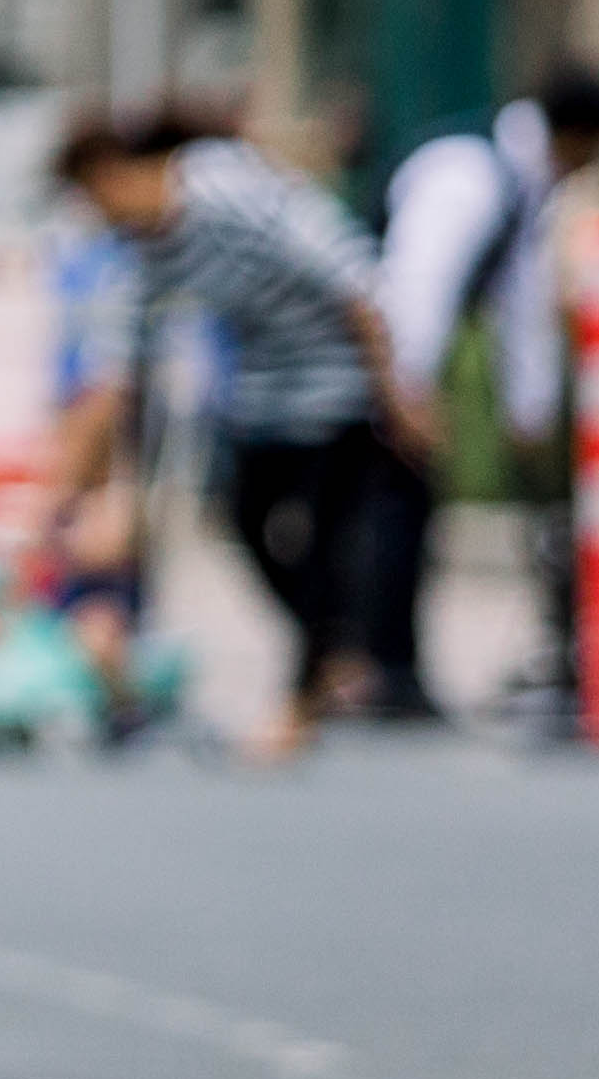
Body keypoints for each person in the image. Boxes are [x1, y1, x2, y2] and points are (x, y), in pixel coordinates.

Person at [55, 103, 415, 755]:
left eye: (90, 196)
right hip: (264, 389)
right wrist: (81, 492)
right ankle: (331, 648)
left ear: (113, 175)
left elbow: (350, 274)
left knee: (324, 543)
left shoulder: (221, 191)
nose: (93, 216)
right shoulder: (145, 252)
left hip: (340, 377)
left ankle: (299, 703)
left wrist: (398, 394)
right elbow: (113, 378)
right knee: (246, 519)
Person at [373, 61, 599, 726]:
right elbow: (418, 287)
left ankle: (386, 662)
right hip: (370, 362)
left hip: (393, 366)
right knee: (387, 512)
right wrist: (407, 391)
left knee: (404, 509)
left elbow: (520, 304)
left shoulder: (524, 183)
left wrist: (531, 412)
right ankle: (383, 665)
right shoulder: (468, 172)